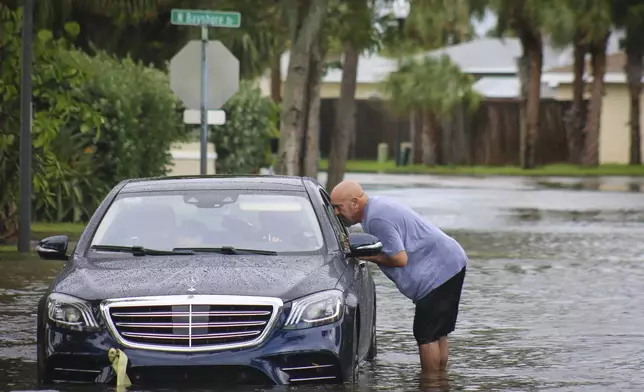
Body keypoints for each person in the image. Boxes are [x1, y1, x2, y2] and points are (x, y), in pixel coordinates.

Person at [330, 180, 468, 374]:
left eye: (338, 207)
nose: (336, 212)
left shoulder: (376, 218)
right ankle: (440, 381)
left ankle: (430, 384)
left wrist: (368, 256)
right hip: (451, 262)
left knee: (425, 334)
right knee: (438, 333)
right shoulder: (377, 207)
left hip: (439, 270)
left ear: (354, 203)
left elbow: (399, 258)